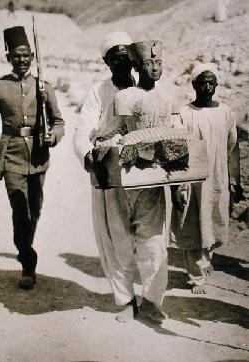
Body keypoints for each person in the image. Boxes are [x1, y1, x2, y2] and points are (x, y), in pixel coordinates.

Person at [0, 26, 65, 290]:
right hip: (12, 155)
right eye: (17, 55)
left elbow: (58, 121)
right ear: (8, 57)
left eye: (26, 55)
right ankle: (28, 263)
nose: (22, 60)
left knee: (34, 210)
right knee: (19, 207)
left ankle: (24, 245)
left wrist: (54, 136)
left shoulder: (44, 87)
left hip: (38, 156)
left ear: (32, 56)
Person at [74, 32, 145, 322]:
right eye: (115, 56)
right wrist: (88, 155)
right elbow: (83, 130)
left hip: (144, 171)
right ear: (106, 61)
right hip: (109, 171)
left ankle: (152, 298)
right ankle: (127, 300)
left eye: (126, 54)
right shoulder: (98, 92)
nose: (122, 60)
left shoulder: (147, 87)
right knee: (115, 238)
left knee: (150, 237)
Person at [112, 40, 181, 323]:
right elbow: (118, 133)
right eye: (148, 63)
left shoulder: (170, 97)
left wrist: (179, 185)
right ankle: (126, 301)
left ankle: (152, 302)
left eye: (159, 63)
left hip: (155, 183)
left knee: (154, 244)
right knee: (122, 241)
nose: (154, 68)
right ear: (137, 66)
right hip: (126, 180)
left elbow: (178, 139)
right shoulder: (125, 97)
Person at [171, 62, 242, 294]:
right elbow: (176, 148)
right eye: (202, 82)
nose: (207, 86)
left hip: (217, 178)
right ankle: (196, 276)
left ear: (217, 84)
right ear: (194, 85)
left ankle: (204, 263)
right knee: (192, 223)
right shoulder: (184, 113)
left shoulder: (225, 112)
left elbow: (233, 147)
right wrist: (176, 184)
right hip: (192, 178)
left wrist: (235, 180)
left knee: (212, 221)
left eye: (211, 81)